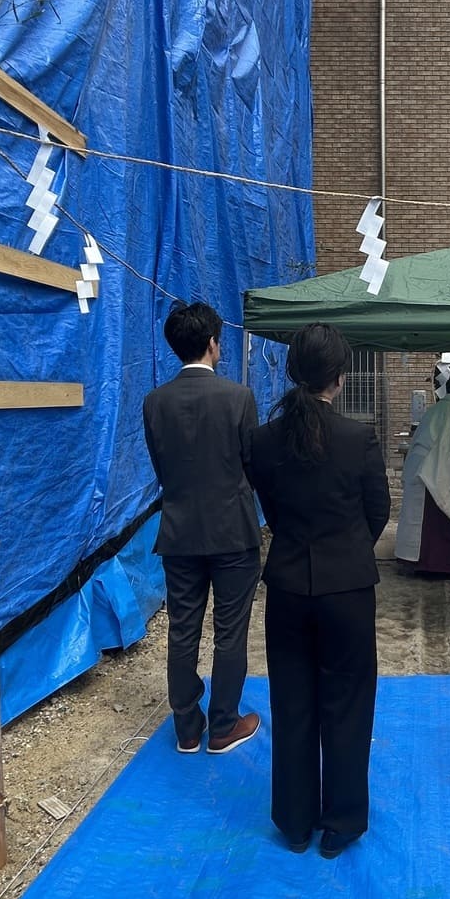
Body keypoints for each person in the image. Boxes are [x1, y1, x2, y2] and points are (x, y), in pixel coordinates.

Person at [249, 323, 391, 859]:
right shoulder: (358, 438)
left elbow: (271, 510)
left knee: (292, 703)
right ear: (340, 376)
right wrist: (349, 551)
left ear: (293, 372)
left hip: (288, 586)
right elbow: (377, 509)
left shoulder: (263, 440)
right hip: (347, 590)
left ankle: (294, 819)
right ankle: (342, 821)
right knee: (349, 705)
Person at [141, 301, 262, 756]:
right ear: (213, 343)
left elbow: (161, 468)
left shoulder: (155, 402)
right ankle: (224, 724)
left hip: (179, 532)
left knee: (182, 628)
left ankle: (187, 728)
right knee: (230, 630)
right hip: (233, 532)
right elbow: (252, 466)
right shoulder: (238, 397)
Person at [396, 363, 450, 575]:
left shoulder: (435, 410)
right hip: (434, 473)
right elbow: (448, 453)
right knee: (440, 521)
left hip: (420, 471)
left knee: (421, 525)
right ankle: (439, 564)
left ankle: (417, 561)